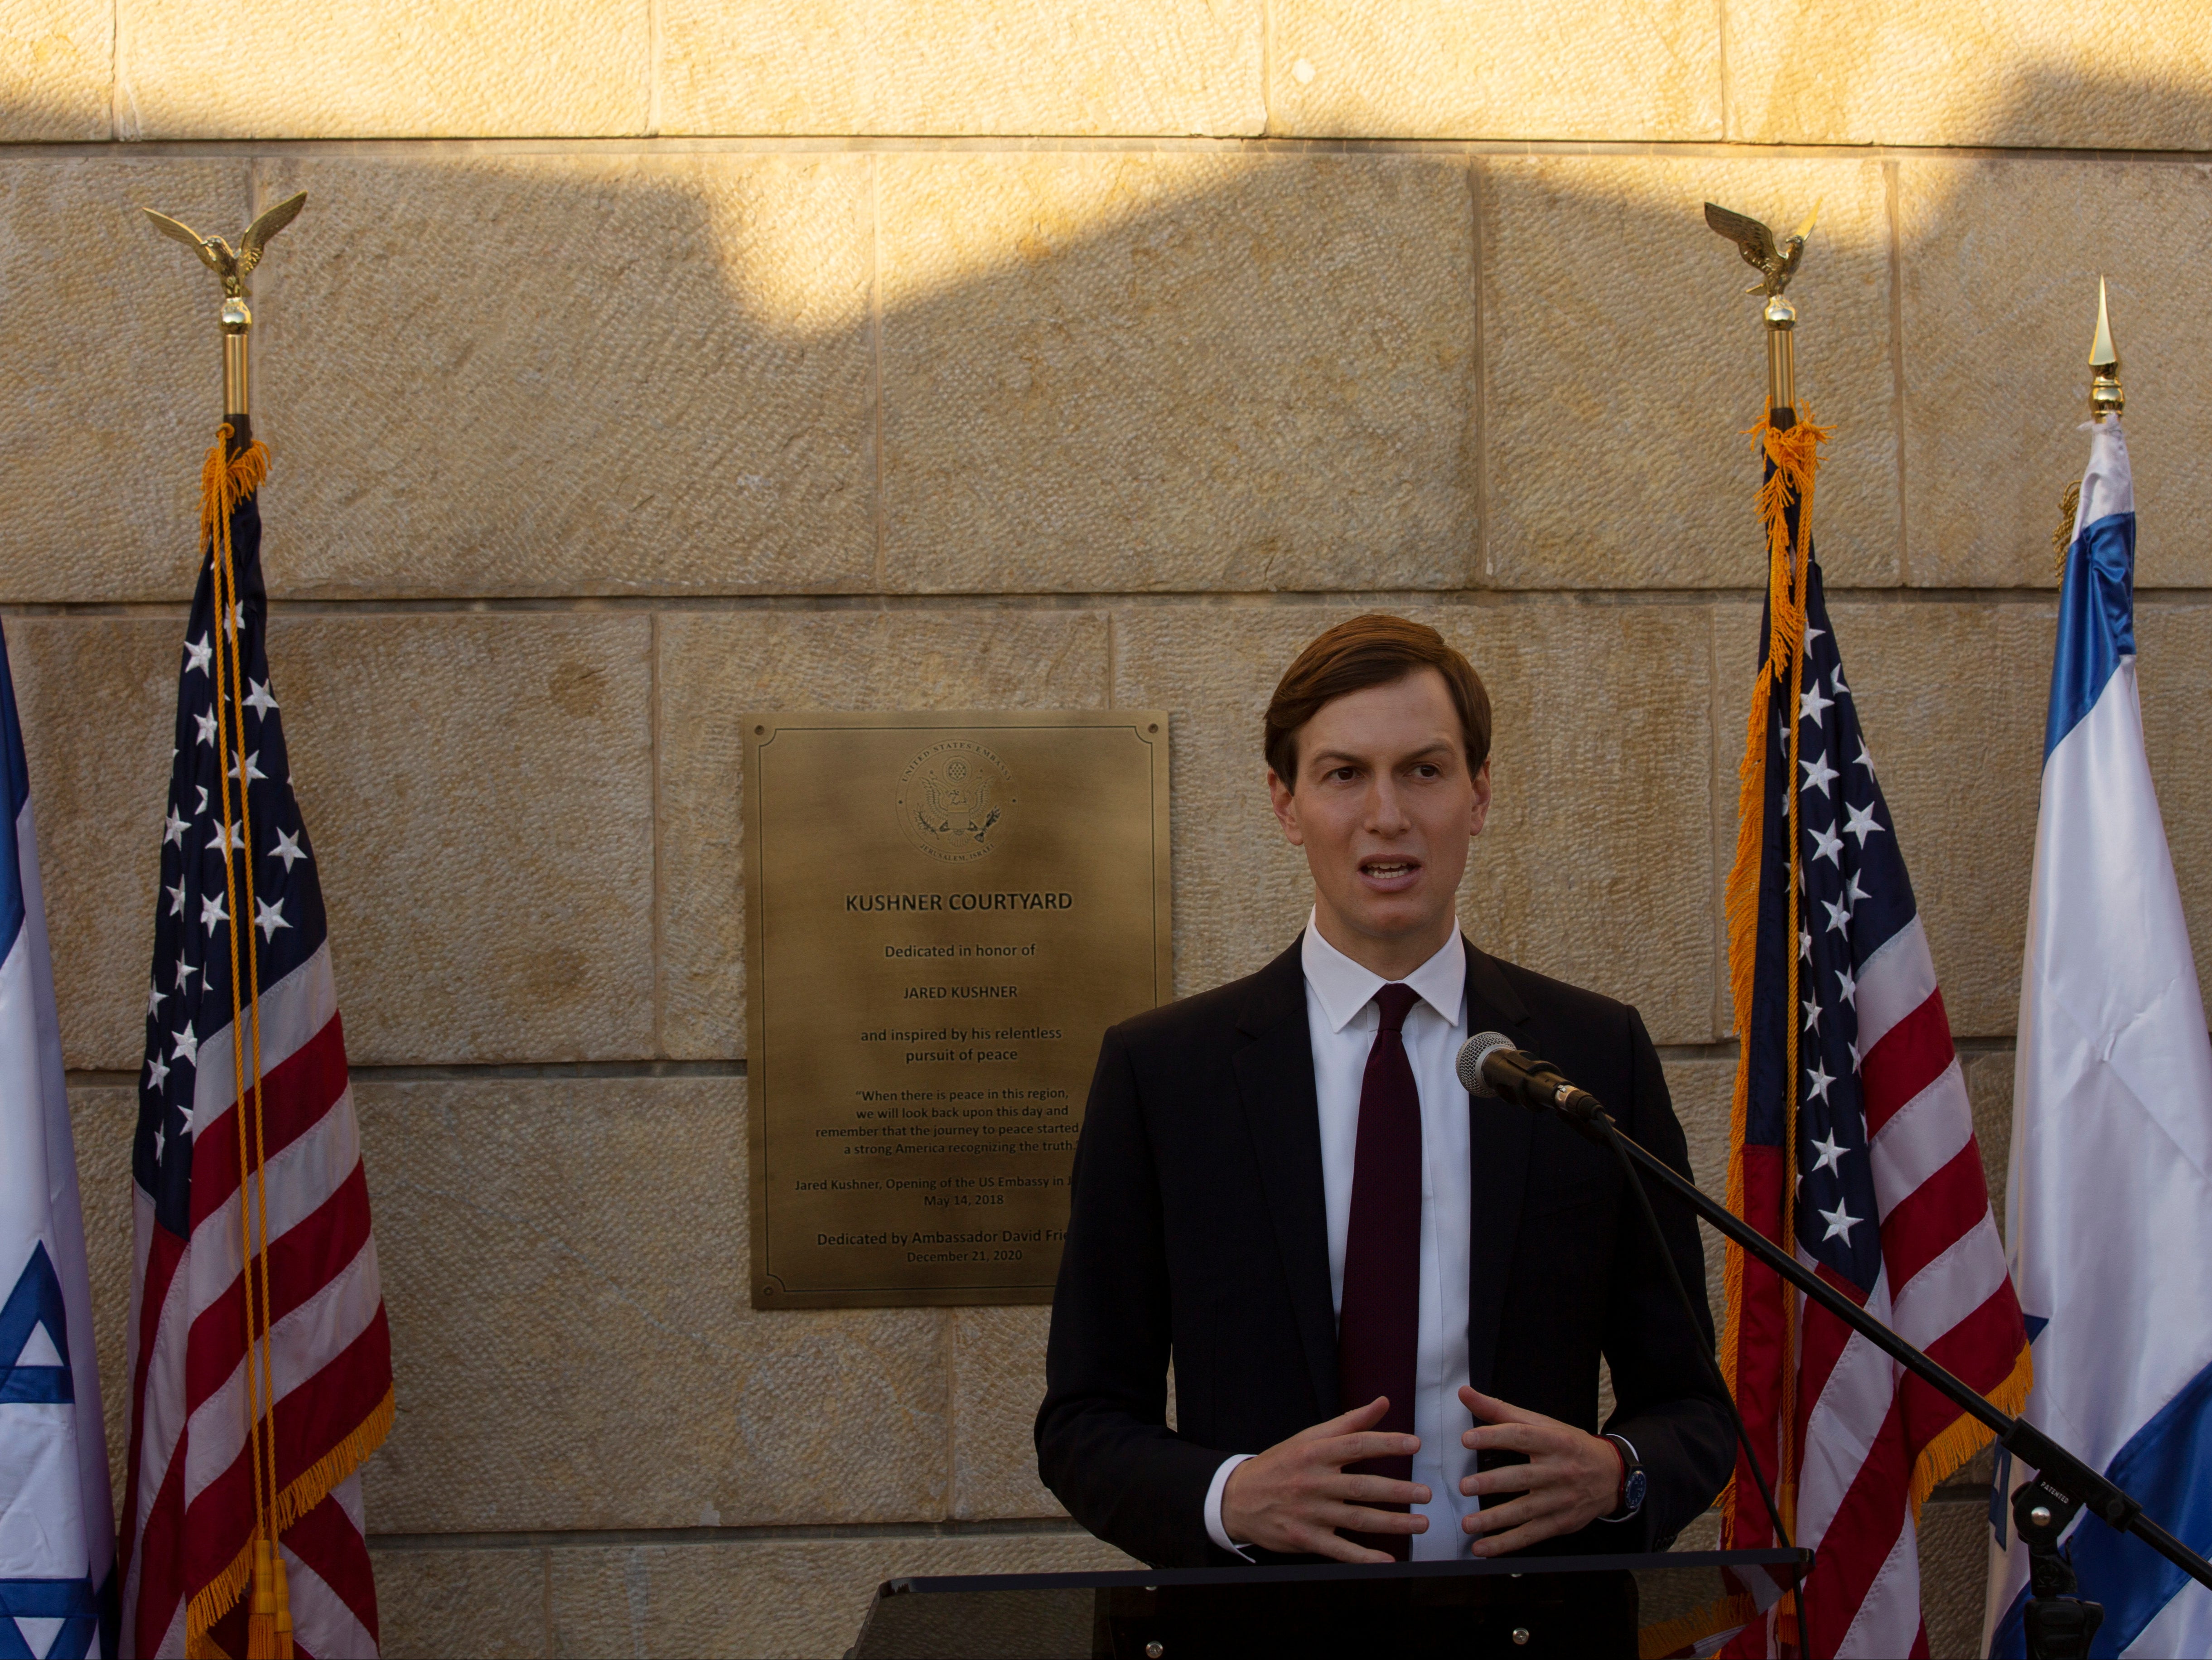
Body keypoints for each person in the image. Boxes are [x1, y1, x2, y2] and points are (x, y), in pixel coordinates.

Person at [1034, 614, 1732, 1568]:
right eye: (1342, 773)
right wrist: (1230, 1495)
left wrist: (1619, 1471)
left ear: (1478, 795)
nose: (1386, 814)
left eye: (1423, 769)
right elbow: (1081, 1421)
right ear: (1284, 804)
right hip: (1261, 1638)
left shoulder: (1589, 1058)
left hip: (1528, 1627)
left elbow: (1692, 1406)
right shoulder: (1165, 1074)